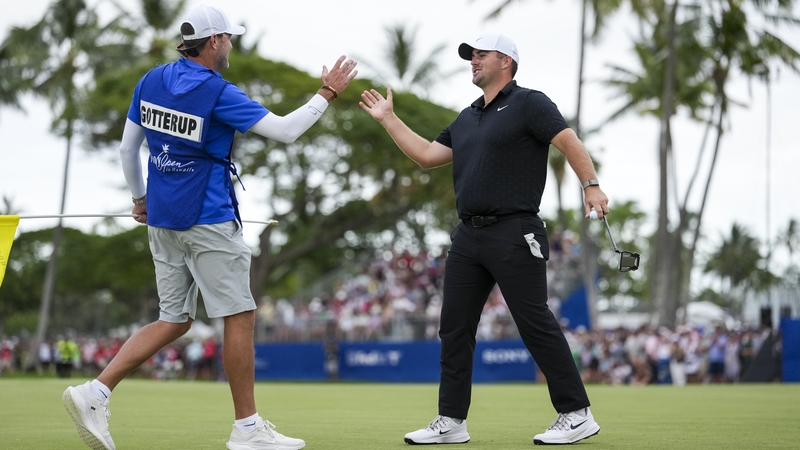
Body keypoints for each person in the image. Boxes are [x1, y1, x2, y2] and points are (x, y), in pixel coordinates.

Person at [61, 5, 357, 450]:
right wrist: (326, 94)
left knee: (174, 319)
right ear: (215, 41)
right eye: (229, 38)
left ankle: (95, 391)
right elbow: (285, 131)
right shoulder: (218, 91)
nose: (232, 45)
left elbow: (128, 150)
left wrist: (139, 199)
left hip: (161, 220)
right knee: (239, 315)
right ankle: (248, 429)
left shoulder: (152, 80)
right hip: (209, 218)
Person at [360, 31, 605, 446]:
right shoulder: (467, 116)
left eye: (481, 54)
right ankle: (451, 421)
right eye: (470, 56)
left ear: (506, 61)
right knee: (454, 328)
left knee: (533, 321)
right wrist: (388, 118)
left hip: (516, 230)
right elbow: (426, 156)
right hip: (468, 237)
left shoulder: (529, 102)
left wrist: (591, 185)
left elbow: (568, 141)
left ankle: (576, 413)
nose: (473, 60)